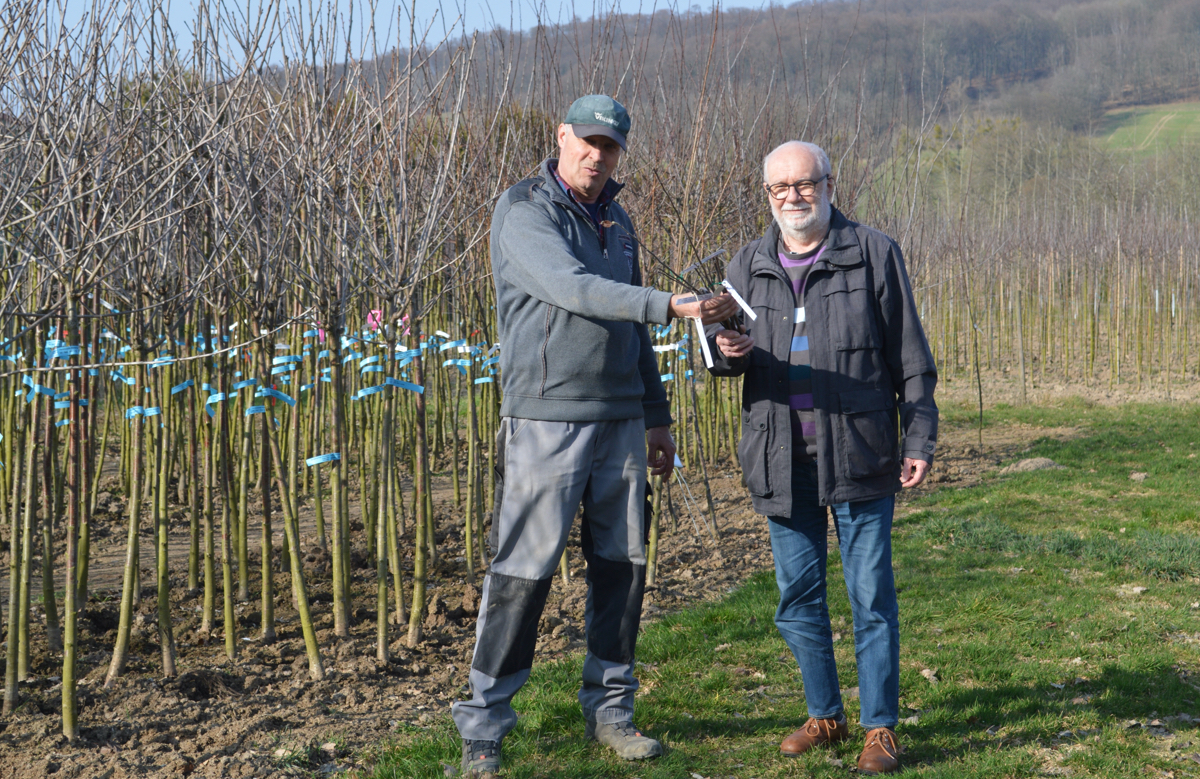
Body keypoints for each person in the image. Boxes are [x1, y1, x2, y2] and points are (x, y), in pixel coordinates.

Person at [450, 94, 738, 775]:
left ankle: (611, 711)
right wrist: (672, 304)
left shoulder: (620, 221)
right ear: (561, 138)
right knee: (523, 571)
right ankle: (485, 725)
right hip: (547, 417)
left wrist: (656, 414)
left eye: (609, 146)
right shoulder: (523, 210)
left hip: (620, 423)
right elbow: (571, 287)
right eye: (586, 142)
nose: (596, 155)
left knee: (623, 567)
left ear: (620, 153)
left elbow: (631, 329)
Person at [706, 140, 938, 775]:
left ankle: (881, 727)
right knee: (797, 596)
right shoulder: (746, 264)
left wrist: (918, 440)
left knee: (870, 596)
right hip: (782, 458)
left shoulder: (873, 253)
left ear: (830, 185)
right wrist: (723, 352)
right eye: (780, 188)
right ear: (767, 196)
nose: (793, 197)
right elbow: (720, 357)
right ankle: (824, 714)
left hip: (862, 455)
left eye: (804, 184)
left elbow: (911, 361)